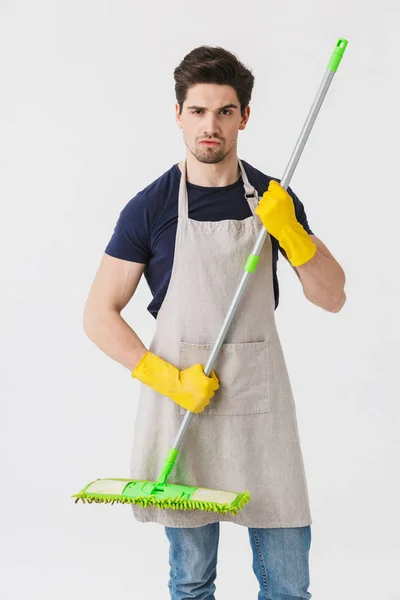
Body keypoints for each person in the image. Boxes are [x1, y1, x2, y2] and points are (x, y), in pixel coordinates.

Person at [83, 45, 346, 600]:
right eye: (198, 111)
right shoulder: (151, 208)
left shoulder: (275, 199)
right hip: (185, 408)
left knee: (289, 586)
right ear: (178, 114)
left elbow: (332, 297)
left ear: (243, 117)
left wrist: (293, 237)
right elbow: (98, 315)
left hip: (261, 408)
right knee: (192, 580)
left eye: (224, 111)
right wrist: (163, 377)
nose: (211, 125)